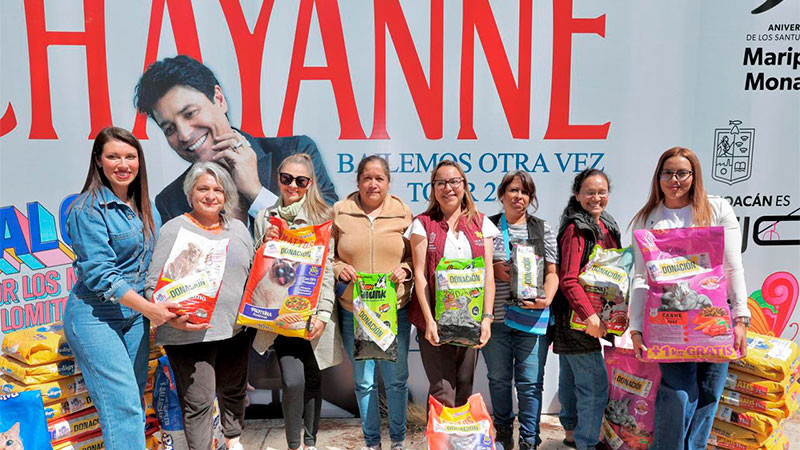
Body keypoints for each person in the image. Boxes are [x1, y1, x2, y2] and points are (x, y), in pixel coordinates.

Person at [629, 147, 749, 450]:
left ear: (694, 176)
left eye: (682, 172)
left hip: (713, 321)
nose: (674, 179)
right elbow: (641, 278)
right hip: (668, 324)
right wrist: (635, 327)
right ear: (658, 177)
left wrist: (741, 318)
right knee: (679, 393)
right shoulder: (648, 219)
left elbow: (733, 266)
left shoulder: (717, 208)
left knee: (709, 393)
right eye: (667, 172)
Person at [63, 127, 172, 450]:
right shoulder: (87, 209)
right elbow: (100, 274)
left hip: (135, 315)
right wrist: (150, 309)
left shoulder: (145, 205)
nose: (122, 164)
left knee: (133, 401)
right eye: (113, 156)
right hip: (96, 317)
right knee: (122, 405)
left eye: (130, 156)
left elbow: (152, 263)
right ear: (98, 161)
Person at [134, 55, 337, 223]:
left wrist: (256, 192)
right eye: (169, 129)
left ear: (219, 100)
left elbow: (328, 231)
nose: (184, 135)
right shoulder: (171, 202)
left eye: (190, 114)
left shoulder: (295, 152)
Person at [145, 162, 253, 450]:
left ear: (227, 195)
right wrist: (175, 318)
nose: (210, 195)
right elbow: (153, 286)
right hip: (189, 334)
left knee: (233, 391)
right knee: (199, 402)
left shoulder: (239, 229)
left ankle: (233, 442)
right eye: (203, 188)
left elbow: (253, 275)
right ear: (190, 193)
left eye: (218, 189)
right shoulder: (174, 229)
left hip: (235, 329)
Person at [252, 153, 343, 450]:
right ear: (277, 178)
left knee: (313, 379)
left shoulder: (323, 217)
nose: (293, 185)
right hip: (279, 314)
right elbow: (256, 269)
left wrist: (324, 314)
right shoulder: (265, 217)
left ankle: (310, 441)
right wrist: (265, 242)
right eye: (286, 178)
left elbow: (328, 268)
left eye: (300, 180)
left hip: (314, 313)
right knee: (293, 382)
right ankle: (294, 445)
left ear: (310, 182)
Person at [332, 155, 413, 450]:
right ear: (357, 181)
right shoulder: (341, 212)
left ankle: (398, 441)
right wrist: (339, 269)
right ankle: (371, 442)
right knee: (364, 382)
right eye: (367, 177)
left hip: (393, 312)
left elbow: (415, 257)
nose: (373, 183)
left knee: (395, 380)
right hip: (355, 311)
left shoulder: (403, 212)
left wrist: (406, 269)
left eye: (379, 178)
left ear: (388, 182)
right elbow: (328, 256)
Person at [407, 160, 497, 408]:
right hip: (434, 320)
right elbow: (420, 275)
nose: (448, 188)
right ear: (433, 188)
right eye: (441, 183)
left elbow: (488, 273)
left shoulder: (482, 223)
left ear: (464, 185)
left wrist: (487, 318)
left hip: (470, 319)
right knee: (442, 391)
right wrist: (429, 322)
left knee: (464, 388)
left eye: (454, 181)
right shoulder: (422, 223)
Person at [484, 171, 559, 450]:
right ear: (502, 194)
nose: (519, 197)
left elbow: (553, 272)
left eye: (525, 192)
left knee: (530, 384)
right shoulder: (487, 227)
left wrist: (547, 298)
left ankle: (529, 439)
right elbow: (472, 268)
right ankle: (504, 434)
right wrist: (491, 270)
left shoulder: (542, 229)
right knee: (499, 381)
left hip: (532, 317)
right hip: (497, 319)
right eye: (513, 190)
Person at [549, 168, 620, 450]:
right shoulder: (575, 229)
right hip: (578, 320)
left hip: (590, 317)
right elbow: (568, 279)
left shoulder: (606, 224)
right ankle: (587, 443)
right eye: (590, 192)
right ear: (577, 195)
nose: (596, 197)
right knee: (594, 388)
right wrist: (590, 316)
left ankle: (571, 433)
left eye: (602, 192)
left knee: (570, 377)